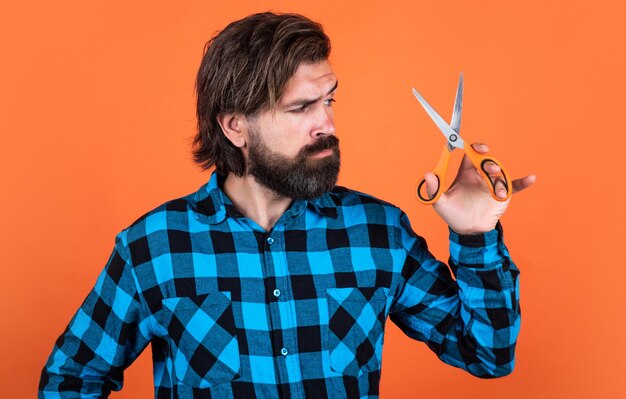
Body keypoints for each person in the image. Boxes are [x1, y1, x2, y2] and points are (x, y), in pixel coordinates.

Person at [39, 12, 535, 399]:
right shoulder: (154, 248)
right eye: (301, 108)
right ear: (236, 126)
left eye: (330, 100)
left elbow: (488, 355)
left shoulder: (379, 232)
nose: (328, 125)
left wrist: (475, 238)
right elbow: (70, 378)